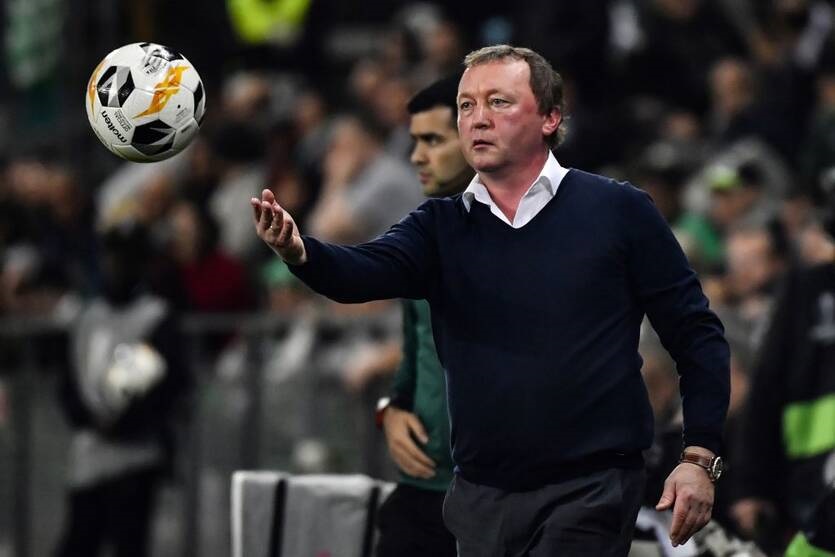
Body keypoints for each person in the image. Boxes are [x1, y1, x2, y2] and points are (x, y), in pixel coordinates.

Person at [252, 45, 730, 556]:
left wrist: (699, 457)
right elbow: (359, 273)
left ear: (550, 118)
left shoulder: (619, 210)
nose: (477, 119)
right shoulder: (439, 226)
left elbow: (696, 333)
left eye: (498, 102)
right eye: (466, 105)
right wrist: (300, 251)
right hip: (480, 497)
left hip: (591, 488)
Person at [374, 73, 474, 557]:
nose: (416, 156)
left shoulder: (530, 242)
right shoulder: (421, 236)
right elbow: (416, 350)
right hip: (421, 489)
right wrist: (391, 410)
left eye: (433, 140)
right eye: (414, 141)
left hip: (492, 497)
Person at [55, 223, 190, 557]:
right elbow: (69, 380)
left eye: (125, 259)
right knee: (78, 542)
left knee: (129, 544)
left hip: (135, 458)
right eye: (112, 257)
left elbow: (166, 384)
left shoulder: (155, 317)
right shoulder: (89, 318)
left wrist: (124, 423)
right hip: (90, 456)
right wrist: (87, 418)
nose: (116, 266)